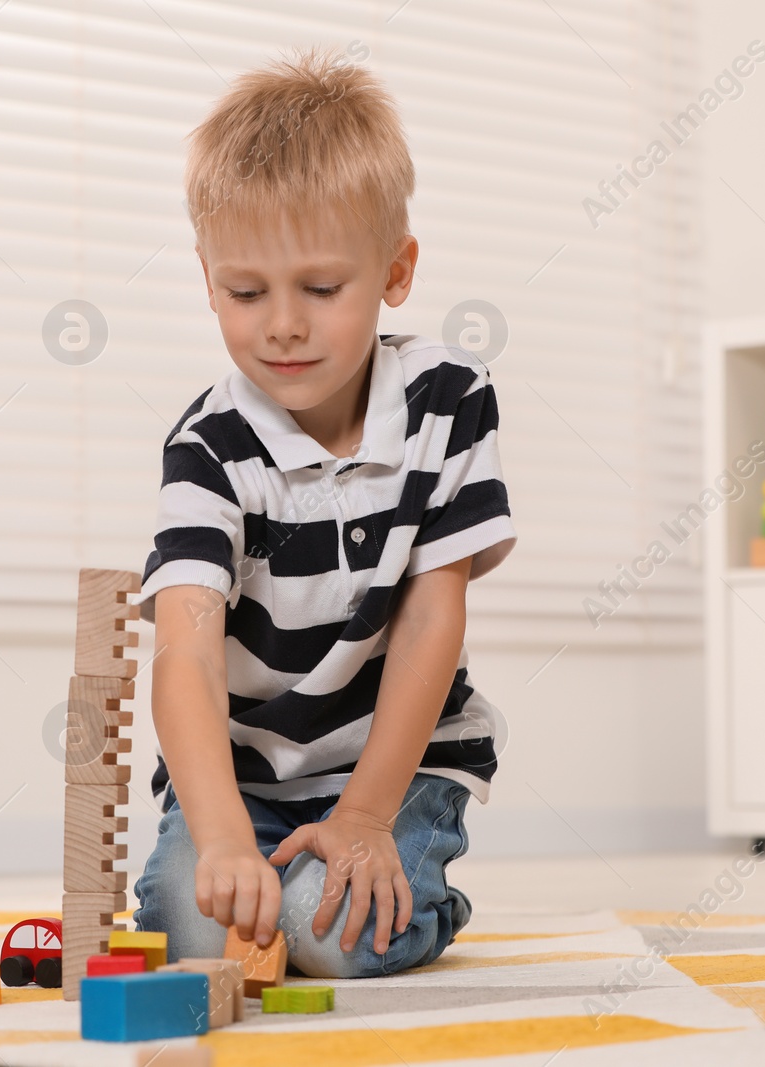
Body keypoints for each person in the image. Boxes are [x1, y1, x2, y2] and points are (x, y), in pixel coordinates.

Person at [131, 46, 516, 980]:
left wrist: (365, 818)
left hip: (395, 768)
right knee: (193, 932)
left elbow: (432, 615)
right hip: (248, 777)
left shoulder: (447, 400)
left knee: (326, 935)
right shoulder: (210, 445)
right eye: (246, 291)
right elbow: (185, 646)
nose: (283, 325)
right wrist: (220, 834)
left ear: (396, 269)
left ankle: (428, 891)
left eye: (321, 288)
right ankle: (252, 855)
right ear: (206, 274)